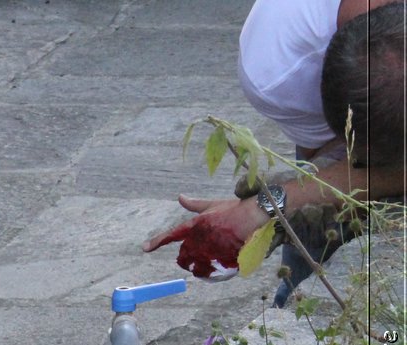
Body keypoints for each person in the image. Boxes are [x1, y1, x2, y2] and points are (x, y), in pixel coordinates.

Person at [143, 0, 405, 303]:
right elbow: (353, 168)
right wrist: (277, 209)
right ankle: (299, 304)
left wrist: (270, 204)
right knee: (323, 230)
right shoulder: (279, 71)